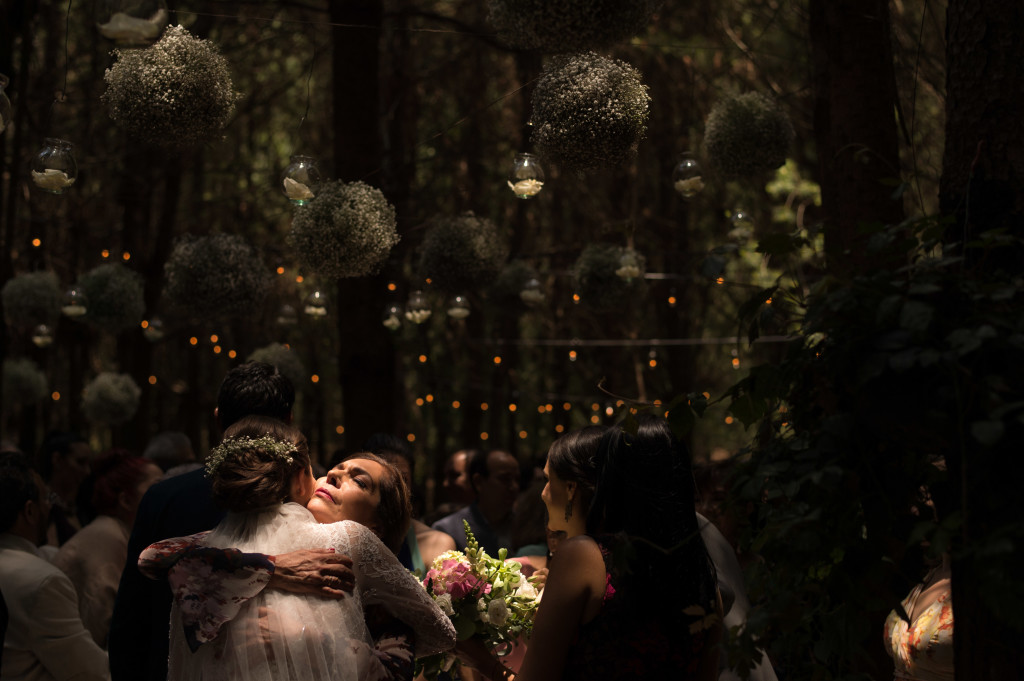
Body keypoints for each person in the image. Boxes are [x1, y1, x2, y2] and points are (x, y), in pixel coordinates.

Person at [144, 416, 456, 681]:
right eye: (337, 468)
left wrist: (304, 639)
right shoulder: (252, 534)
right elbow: (156, 557)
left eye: (358, 481)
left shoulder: (367, 570)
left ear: (377, 527)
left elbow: (419, 651)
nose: (334, 474)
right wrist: (273, 568)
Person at [109, 361, 350, 681]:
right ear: (289, 421)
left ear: (218, 419)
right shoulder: (310, 499)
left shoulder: (165, 498)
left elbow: (132, 617)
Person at [470, 418, 722, 681]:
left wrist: (478, 659)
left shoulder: (584, 555)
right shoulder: (705, 581)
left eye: (548, 480)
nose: (542, 493)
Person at [0, 451, 109, 681]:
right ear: (29, 511)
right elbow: (89, 673)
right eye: (45, 498)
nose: (50, 507)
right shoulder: (43, 581)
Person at [53, 451, 163, 648]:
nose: (166, 495)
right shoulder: (106, 536)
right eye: (157, 488)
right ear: (126, 500)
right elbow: (105, 630)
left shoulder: (118, 534)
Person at [361, 432, 456, 576]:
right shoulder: (335, 535)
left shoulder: (435, 543)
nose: (394, 489)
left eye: (402, 480)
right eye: (383, 481)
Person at [432, 449, 519, 554]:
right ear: (479, 482)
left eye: (517, 479)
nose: (514, 486)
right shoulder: (447, 530)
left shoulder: (525, 527)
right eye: (505, 479)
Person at [36, 431, 93, 548]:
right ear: (57, 460)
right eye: (80, 462)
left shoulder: (85, 504)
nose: (87, 471)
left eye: (89, 463)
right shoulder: (45, 506)